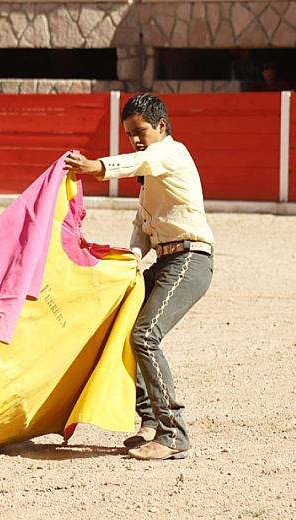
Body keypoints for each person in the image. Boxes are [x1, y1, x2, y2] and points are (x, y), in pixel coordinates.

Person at [63, 94, 214, 461]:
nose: (134, 139)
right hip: (166, 260)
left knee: (145, 335)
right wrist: (132, 260)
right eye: (129, 133)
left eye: (139, 131)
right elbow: (142, 226)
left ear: (161, 126)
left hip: (189, 260)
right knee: (120, 322)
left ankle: (173, 433)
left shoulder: (171, 153)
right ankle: (149, 420)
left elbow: (138, 160)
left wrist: (95, 167)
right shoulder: (153, 170)